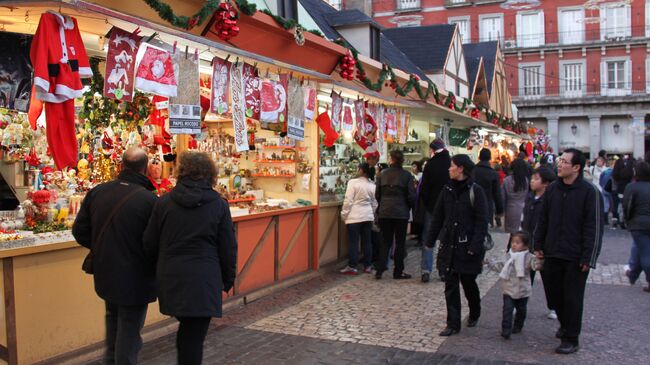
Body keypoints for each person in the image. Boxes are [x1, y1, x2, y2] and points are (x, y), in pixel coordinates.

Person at [143, 152, 237, 365]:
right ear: (210, 173)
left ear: (181, 171)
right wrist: (228, 278)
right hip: (204, 276)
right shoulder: (218, 205)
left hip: (172, 275)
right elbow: (228, 247)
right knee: (193, 335)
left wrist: (157, 270)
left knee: (189, 331)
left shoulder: (164, 202)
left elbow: (149, 241)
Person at [72, 148, 157, 365]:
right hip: (137, 276)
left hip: (105, 271)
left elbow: (80, 231)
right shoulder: (149, 201)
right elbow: (153, 242)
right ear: (145, 169)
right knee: (129, 331)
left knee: (113, 321)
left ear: (121, 165)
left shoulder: (98, 192)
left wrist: (103, 249)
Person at [534, 148, 603, 355]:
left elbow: (594, 227)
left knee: (572, 297)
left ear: (576, 167)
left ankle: (571, 337)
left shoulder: (589, 192)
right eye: (559, 160)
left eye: (564, 161)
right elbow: (543, 218)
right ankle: (565, 324)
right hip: (552, 251)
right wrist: (538, 244)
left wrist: (589, 256)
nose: (559, 164)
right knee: (554, 296)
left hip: (575, 256)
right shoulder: (553, 188)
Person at [427, 155, 488, 336]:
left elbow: (481, 221)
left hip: (468, 246)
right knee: (451, 285)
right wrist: (430, 242)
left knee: (469, 282)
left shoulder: (476, 191)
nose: (449, 169)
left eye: (452, 166)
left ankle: (475, 311)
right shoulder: (446, 190)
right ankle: (453, 324)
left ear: (460, 169)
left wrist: (475, 246)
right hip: (450, 244)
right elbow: (438, 217)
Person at [491, 231, 542, 339]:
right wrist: (490, 264)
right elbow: (500, 266)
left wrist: (539, 259)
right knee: (507, 309)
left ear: (525, 245)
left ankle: (518, 325)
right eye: (513, 242)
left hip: (523, 289)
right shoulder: (508, 256)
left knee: (521, 309)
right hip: (508, 288)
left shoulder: (529, 257)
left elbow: (536, 266)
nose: (514, 244)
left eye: (517, 242)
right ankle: (506, 329)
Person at [521, 166, 557, 319]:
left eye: (536, 179)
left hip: (544, 247)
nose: (532, 182)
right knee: (524, 277)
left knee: (549, 279)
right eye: (532, 178)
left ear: (546, 183)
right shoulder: (529, 197)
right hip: (527, 244)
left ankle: (554, 307)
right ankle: (520, 304)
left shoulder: (550, 201)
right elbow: (523, 222)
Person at [375, 150, 416, 280]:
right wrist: (408, 207)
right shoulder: (407, 175)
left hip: (385, 211)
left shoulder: (381, 174)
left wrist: (382, 205)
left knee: (385, 241)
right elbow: (411, 196)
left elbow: (377, 194)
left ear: (391, 159)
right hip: (401, 212)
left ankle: (379, 270)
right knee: (400, 243)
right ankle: (398, 271)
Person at [418, 138, 451, 283]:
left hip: (432, 207)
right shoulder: (451, 163)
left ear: (432, 150)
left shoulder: (430, 165)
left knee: (428, 239)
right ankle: (443, 270)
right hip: (448, 208)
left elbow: (423, 189)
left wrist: (427, 203)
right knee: (446, 240)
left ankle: (426, 270)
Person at [340, 163, 378, 275]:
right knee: (367, 242)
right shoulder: (372, 185)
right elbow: (375, 203)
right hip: (367, 216)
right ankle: (368, 265)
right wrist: (372, 213)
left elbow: (348, 201)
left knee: (354, 242)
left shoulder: (353, 183)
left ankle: (353, 265)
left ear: (361, 170)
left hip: (354, 216)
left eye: (358, 168)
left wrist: (344, 214)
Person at [622, 161, 650, 293]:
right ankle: (632, 275)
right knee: (642, 249)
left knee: (645, 253)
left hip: (638, 224)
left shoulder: (632, 187)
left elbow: (626, 206)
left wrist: (628, 221)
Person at [473, 148, 504, 228]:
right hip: (487, 206)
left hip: (472, 205)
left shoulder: (472, 171)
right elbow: (497, 194)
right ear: (490, 158)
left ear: (479, 157)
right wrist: (499, 209)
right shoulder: (493, 173)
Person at [502, 158, 530, 238]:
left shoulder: (506, 180)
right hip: (523, 208)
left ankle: (512, 248)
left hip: (510, 208)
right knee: (522, 234)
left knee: (513, 234)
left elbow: (503, 197)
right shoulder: (525, 180)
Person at [611, 157, 634, 229]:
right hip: (625, 190)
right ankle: (622, 220)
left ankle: (615, 221)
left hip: (616, 190)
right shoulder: (629, 174)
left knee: (616, 205)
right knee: (623, 205)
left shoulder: (614, 173)